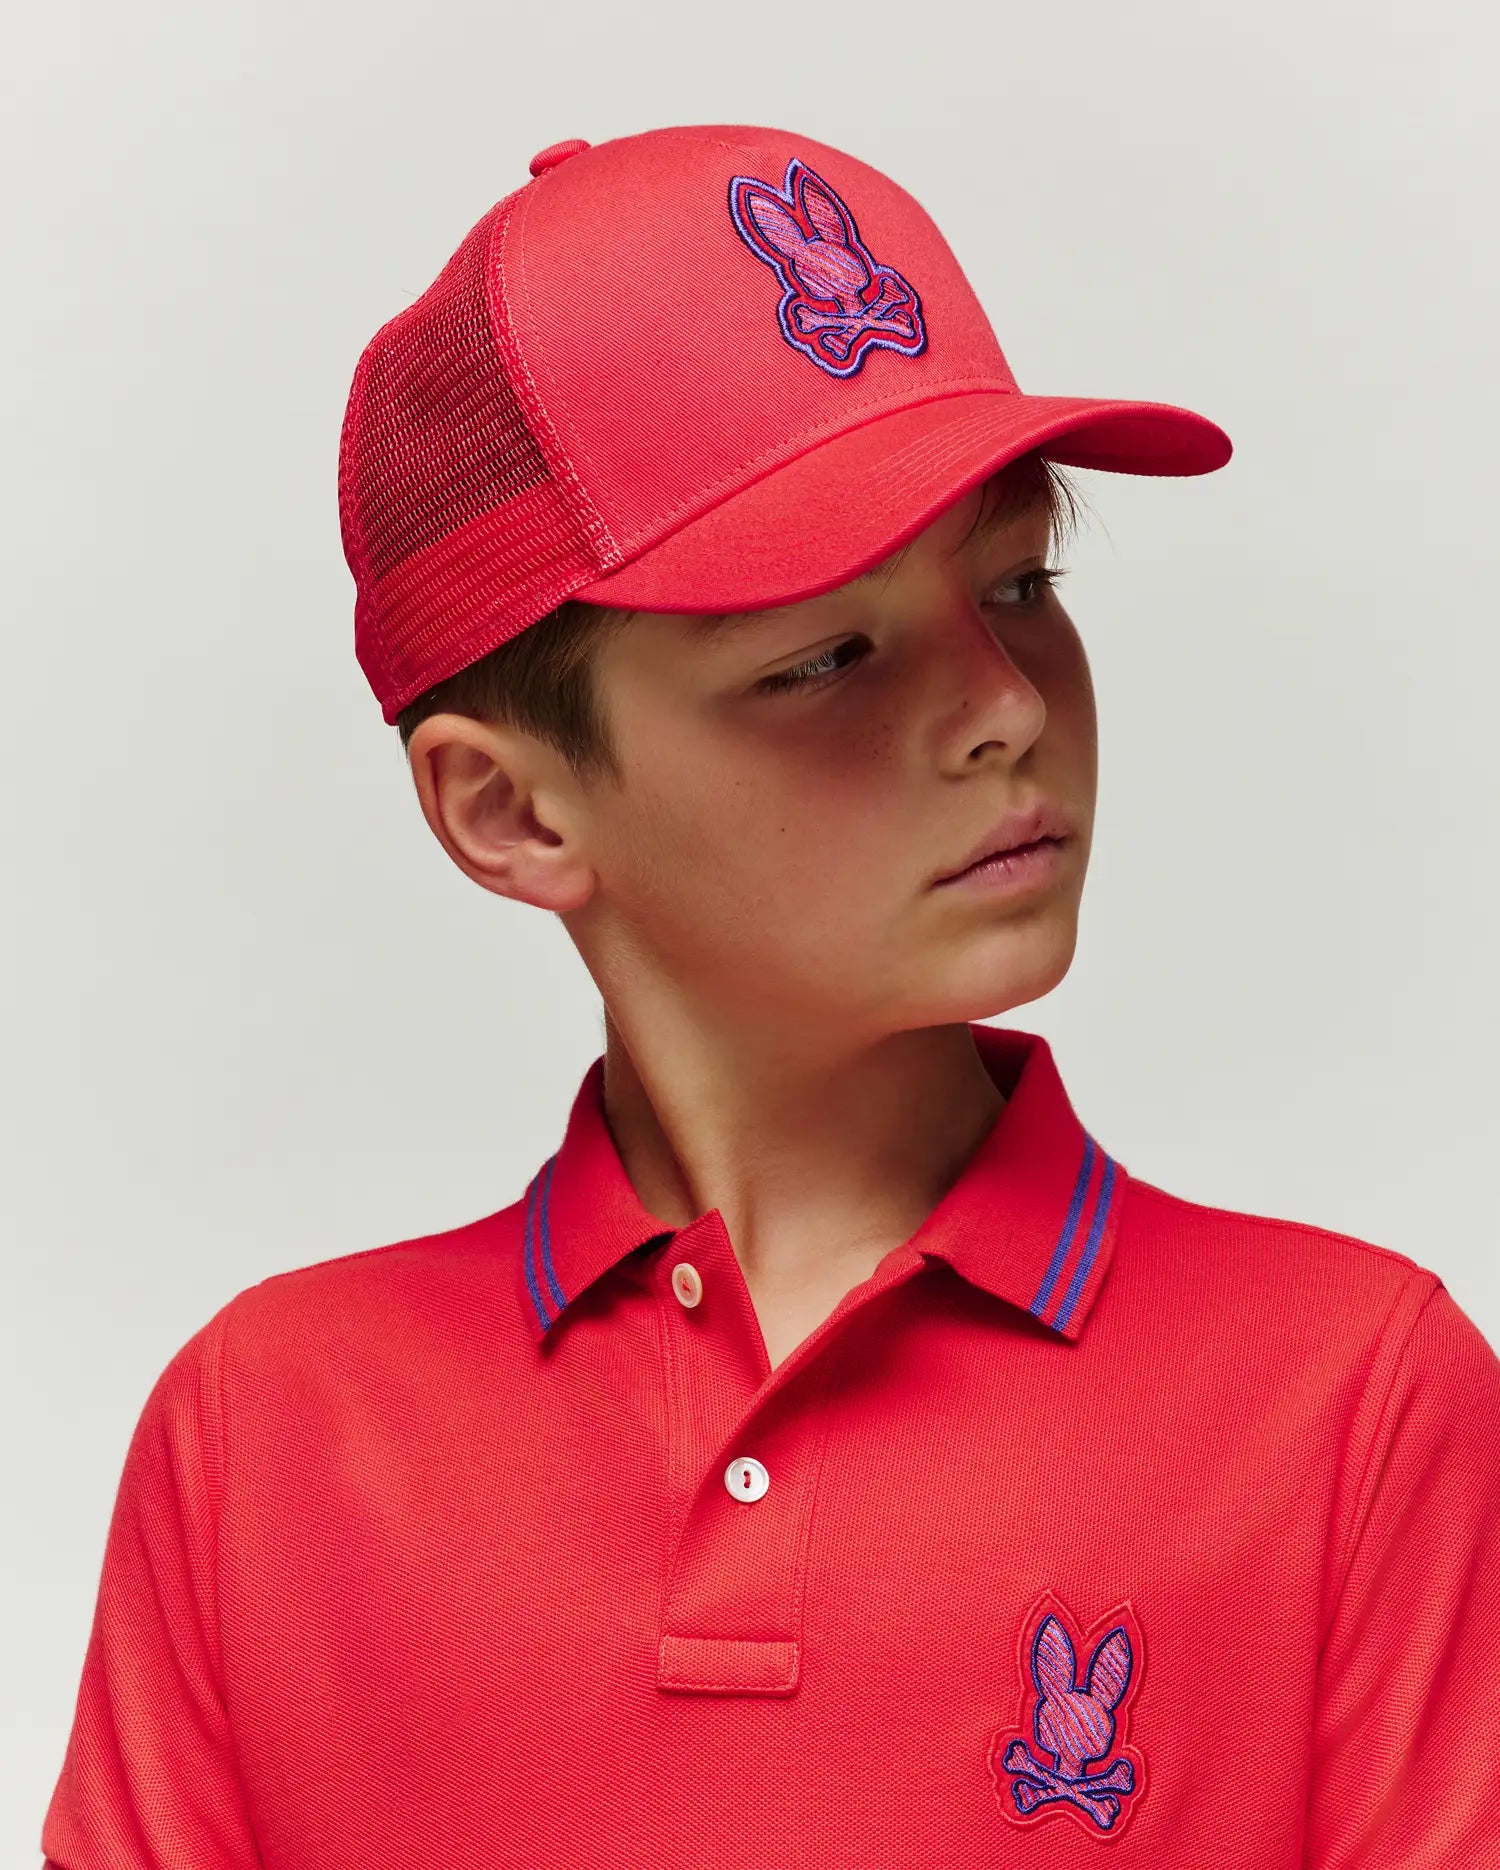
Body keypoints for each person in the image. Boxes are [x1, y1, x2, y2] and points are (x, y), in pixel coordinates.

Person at [40, 124, 1500, 1868]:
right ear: (510, 809)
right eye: (826, 656)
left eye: (1020, 582)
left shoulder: (1351, 1408)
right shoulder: (268, 1441)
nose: (1007, 705)